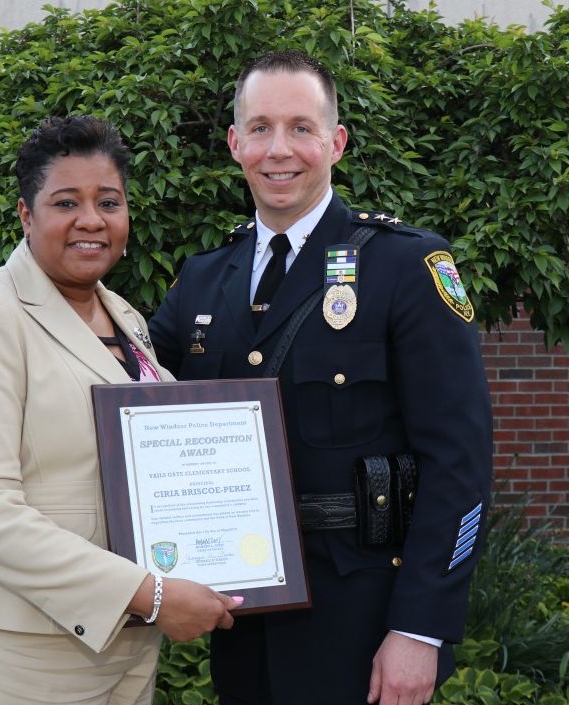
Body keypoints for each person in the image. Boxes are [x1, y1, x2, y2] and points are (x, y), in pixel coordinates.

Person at [148, 51, 493, 705]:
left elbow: (459, 462)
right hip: (241, 618)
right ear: (234, 143)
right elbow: (130, 389)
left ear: (335, 142)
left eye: (301, 128)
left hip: (362, 619)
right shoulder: (201, 278)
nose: (280, 149)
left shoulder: (403, 268)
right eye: (260, 128)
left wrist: (421, 626)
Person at [0, 115, 242, 705]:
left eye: (108, 202)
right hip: (24, 641)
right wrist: (153, 594)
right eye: (66, 201)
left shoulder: (125, 317)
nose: (91, 220)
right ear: (25, 214)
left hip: (127, 639)